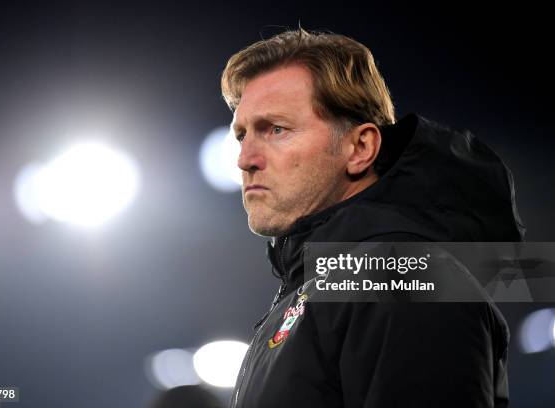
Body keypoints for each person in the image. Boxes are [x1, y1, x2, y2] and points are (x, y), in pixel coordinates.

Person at [220, 28, 525, 408]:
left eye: (276, 129)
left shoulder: (402, 277)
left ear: (360, 148)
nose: (244, 159)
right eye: (242, 135)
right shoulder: (326, 283)